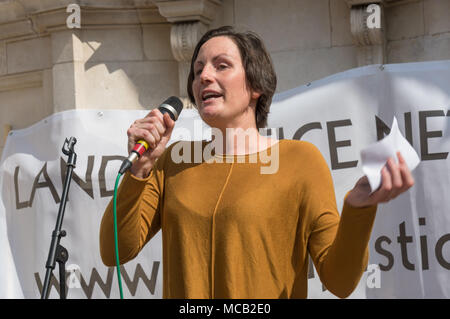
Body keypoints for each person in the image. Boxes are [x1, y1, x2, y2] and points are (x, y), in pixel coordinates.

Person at [99, 26, 415, 298]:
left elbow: (340, 281)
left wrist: (358, 208)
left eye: (221, 66)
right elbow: (114, 251)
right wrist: (140, 170)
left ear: (256, 86)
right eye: (198, 71)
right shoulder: (172, 161)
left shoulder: (299, 160)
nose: (204, 76)